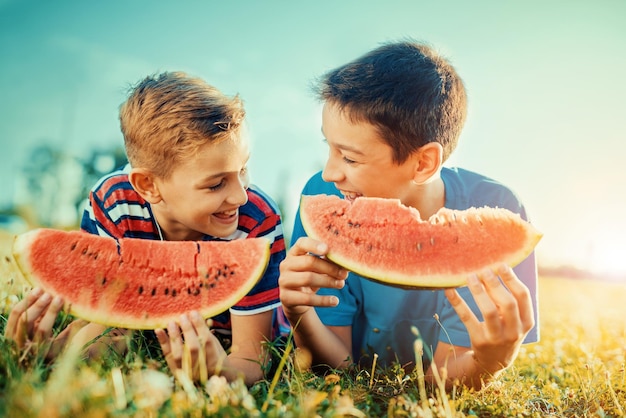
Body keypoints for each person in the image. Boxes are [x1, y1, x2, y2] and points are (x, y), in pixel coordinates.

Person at [278, 40, 539, 390]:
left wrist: (488, 362)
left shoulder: (499, 206)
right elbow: (336, 368)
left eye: (350, 158)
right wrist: (300, 313)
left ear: (423, 162)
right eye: (329, 147)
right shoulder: (322, 195)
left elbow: (437, 385)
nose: (329, 173)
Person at [5, 71, 286, 386]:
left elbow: (253, 359)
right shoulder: (114, 203)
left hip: (230, 337)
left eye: (244, 168)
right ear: (148, 185)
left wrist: (219, 370)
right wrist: (44, 355)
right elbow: (105, 323)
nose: (240, 195)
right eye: (216, 184)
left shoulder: (256, 218)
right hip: (140, 333)